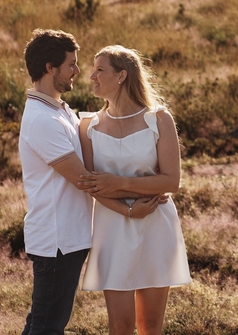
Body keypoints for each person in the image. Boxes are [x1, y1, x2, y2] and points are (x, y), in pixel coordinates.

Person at [77, 45, 191, 335]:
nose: (91, 76)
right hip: (112, 226)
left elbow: (171, 181)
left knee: (150, 326)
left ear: (122, 75)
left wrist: (120, 183)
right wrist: (128, 207)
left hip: (155, 224)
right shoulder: (87, 125)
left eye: (100, 69)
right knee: (121, 326)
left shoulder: (159, 119)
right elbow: (93, 185)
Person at [17, 28, 93, 335]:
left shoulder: (60, 110)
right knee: (48, 326)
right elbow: (84, 179)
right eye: (71, 64)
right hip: (57, 240)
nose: (76, 70)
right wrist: (134, 202)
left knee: (42, 322)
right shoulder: (42, 119)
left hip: (69, 236)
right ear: (51, 68)